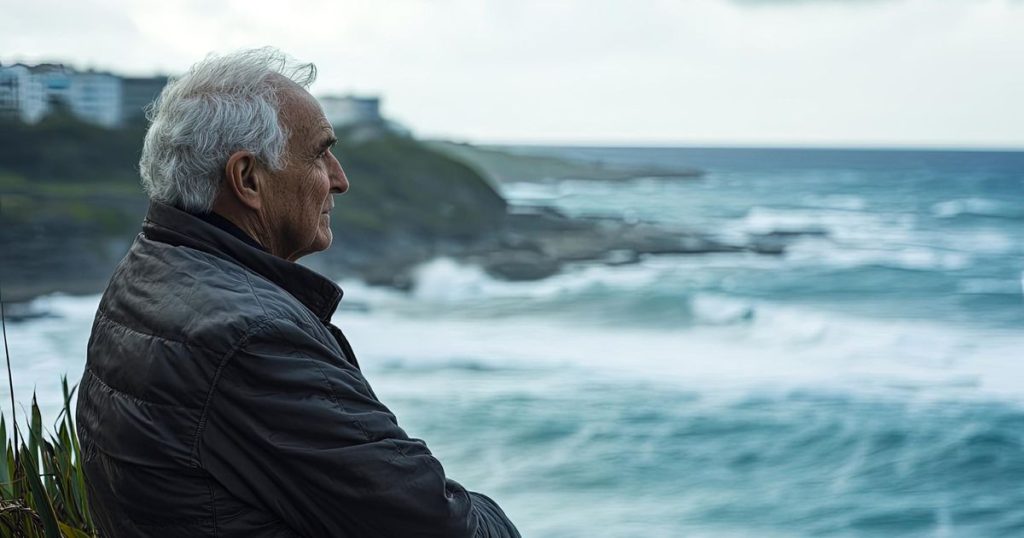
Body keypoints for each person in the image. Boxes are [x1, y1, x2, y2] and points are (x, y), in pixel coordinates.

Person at [76, 47, 520, 537]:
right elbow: (440, 528)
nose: (340, 179)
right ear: (247, 179)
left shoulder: (149, 270)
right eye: (319, 154)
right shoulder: (251, 339)